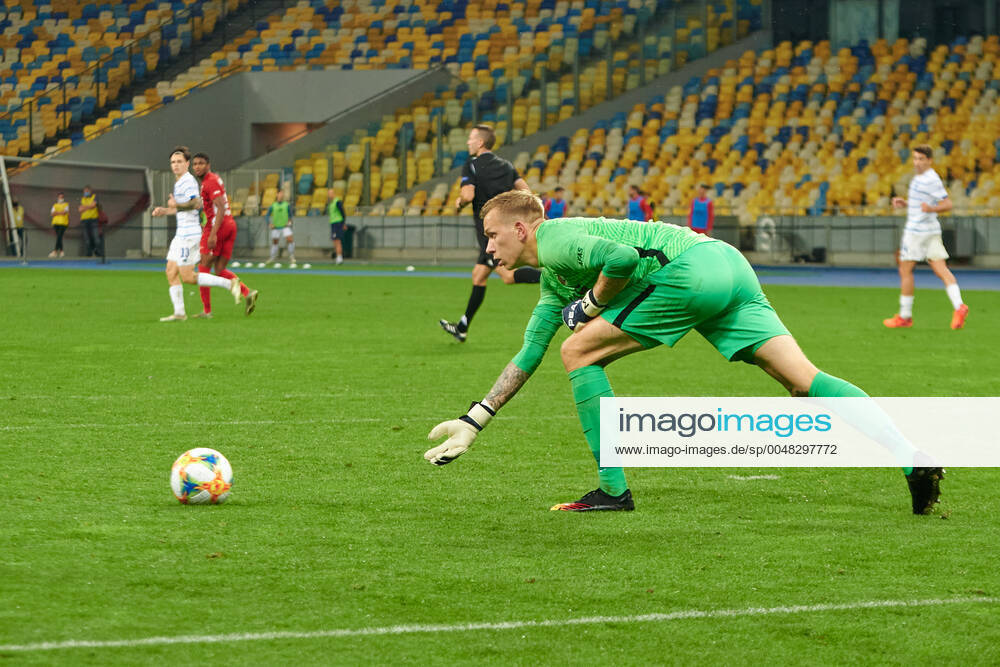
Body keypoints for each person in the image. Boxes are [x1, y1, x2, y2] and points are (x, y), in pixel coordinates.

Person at [425, 190, 944, 516]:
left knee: (578, 351)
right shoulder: (554, 278)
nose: (488, 247)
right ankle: (911, 457)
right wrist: (475, 420)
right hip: (728, 265)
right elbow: (528, 353)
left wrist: (592, 303)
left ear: (521, 229)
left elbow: (621, 258)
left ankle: (613, 491)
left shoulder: (556, 238)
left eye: (491, 235)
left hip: (691, 271)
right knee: (803, 381)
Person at [439, 123, 536, 343]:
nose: (468, 142)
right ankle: (462, 327)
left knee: (508, 277)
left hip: (490, 234)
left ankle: (554, 278)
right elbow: (526, 192)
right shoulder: (506, 165)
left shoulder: (472, 165)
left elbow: (468, 195)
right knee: (479, 276)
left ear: (480, 142)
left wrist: (459, 202)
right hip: (504, 228)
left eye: (471, 138)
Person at [151, 146, 243, 322]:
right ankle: (179, 313)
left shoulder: (188, 181)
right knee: (171, 272)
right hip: (180, 235)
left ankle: (229, 283)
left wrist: (175, 205)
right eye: (173, 162)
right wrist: (165, 210)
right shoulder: (179, 182)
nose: (175, 165)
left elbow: (196, 204)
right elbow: (183, 209)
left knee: (188, 277)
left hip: (189, 235)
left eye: (179, 161)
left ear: (187, 164)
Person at [884, 145, 968, 330]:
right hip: (931, 230)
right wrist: (906, 203)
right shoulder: (920, 178)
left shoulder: (930, 179)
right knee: (941, 269)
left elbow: (947, 204)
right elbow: (923, 203)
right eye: (915, 158)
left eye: (921, 159)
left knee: (905, 270)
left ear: (930, 161)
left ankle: (905, 316)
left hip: (916, 232)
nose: (917, 163)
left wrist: (931, 209)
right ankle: (959, 306)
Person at [191, 152, 258, 318]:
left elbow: (220, 207)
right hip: (229, 225)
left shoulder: (209, 181)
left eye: (201, 163)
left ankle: (207, 311)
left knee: (203, 268)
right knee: (220, 269)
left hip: (218, 227)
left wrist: (213, 234)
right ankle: (247, 292)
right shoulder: (213, 179)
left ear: (208, 165)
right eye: (195, 164)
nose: (197, 167)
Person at [268, 189, 294, 264]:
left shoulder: (286, 205)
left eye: (282, 194)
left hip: (285, 226)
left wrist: (290, 221)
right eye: (279, 194)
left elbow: (290, 214)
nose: (281, 195)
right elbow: (267, 216)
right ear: (277, 195)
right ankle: (272, 257)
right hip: (276, 227)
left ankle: (291, 256)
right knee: (275, 242)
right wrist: (269, 223)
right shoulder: (273, 205)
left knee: (290, 240)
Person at [78, 185, 102, 257]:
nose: (86, 192)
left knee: (96, 237)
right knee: (87, 239)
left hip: (93, 220)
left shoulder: (94, 196)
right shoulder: (82, 199)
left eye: (87, 191)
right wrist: (89, 206)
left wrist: (84, 207)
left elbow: (93, 205)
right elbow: (80, 210)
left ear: (90, 191)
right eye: (84, 191)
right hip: (84, 221)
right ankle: (89, 254)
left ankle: (98, 252)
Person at [328, 189, 346, 264]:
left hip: (337, 223)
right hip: (333, 223)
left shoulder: (337, 202)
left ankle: (339, 257)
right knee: (335, 241)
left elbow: (343, 212)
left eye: (330, 193)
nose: (329, 195)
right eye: (328, 194)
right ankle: (338, 257)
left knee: (337, 241)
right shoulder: (331, 203)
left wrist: (343, 223)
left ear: (334, 194)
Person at [49, 192, 69, 258]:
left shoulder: (66, 204)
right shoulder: (55, 205)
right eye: (60, 197)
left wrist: (56, 212)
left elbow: (64, 212)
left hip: (63, 223)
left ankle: (55, 251)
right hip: (55, 223)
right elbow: (52, 213)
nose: (61, 198)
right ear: (57, 198)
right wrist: (60, 212)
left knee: (59, 236)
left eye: (62, 197)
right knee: (59, 237)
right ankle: (61, 251)